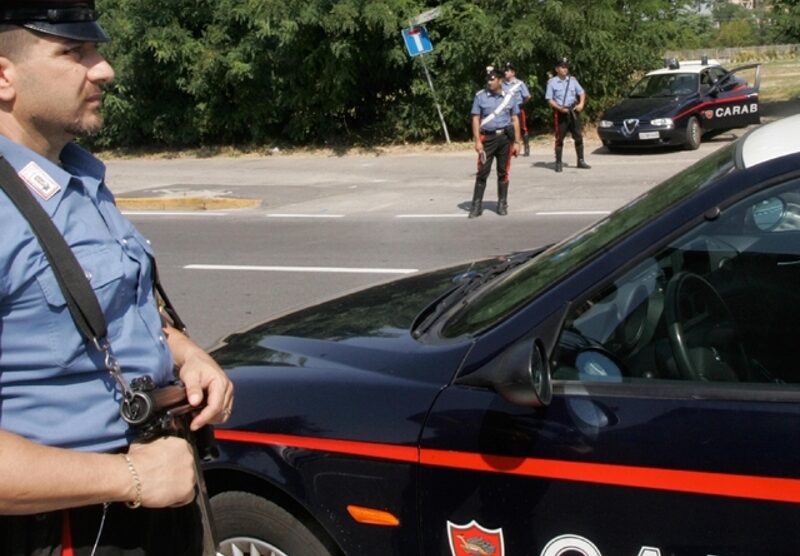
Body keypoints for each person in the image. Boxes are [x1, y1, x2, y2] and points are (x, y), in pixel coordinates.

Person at [0, 2, 234, 554]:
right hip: (60, 525)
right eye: (73, 52)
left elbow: (110, 309)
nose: (103, 69)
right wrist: (131, 479)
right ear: (3, 76)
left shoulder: (77, 173)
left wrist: (185, 354)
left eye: (97, 50)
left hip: (154, 501)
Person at [469, 67, 521, 218]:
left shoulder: (510, 97)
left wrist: (517, 142)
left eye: (492, 79)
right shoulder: (480, 96)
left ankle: (502, 203)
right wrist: (477, 140)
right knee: (482, 171)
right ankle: (476, 205)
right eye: (487, 79)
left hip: (505, 138)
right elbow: (475, 119)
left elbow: (515, 119)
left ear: (500, 80)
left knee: (503, 171)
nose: (489, 82)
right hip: (488, 139)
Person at [545, 57, 591, 172]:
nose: (565, 69)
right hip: (561, 113)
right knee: (559, 139)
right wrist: (559, 108)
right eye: (562, 67)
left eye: (566, 67)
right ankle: (558, 162)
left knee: (578, 137)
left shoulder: (572, 80)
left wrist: (581, 104)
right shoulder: (552, 82)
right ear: (557, 69)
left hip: (573, 111)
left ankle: (580, 160)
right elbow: (549, 99)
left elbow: (581, 92)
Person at [503, 62, 531, 156]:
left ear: (513, 73)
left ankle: (526, 146)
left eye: (507, 70)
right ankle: (511, 147)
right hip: (507, 110)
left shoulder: (519, 84)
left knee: (522, 127)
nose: (505, 72)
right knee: (509, 128)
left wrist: (522, 104)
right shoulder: (502, 84)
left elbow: (527, 96)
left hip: (518, 108)